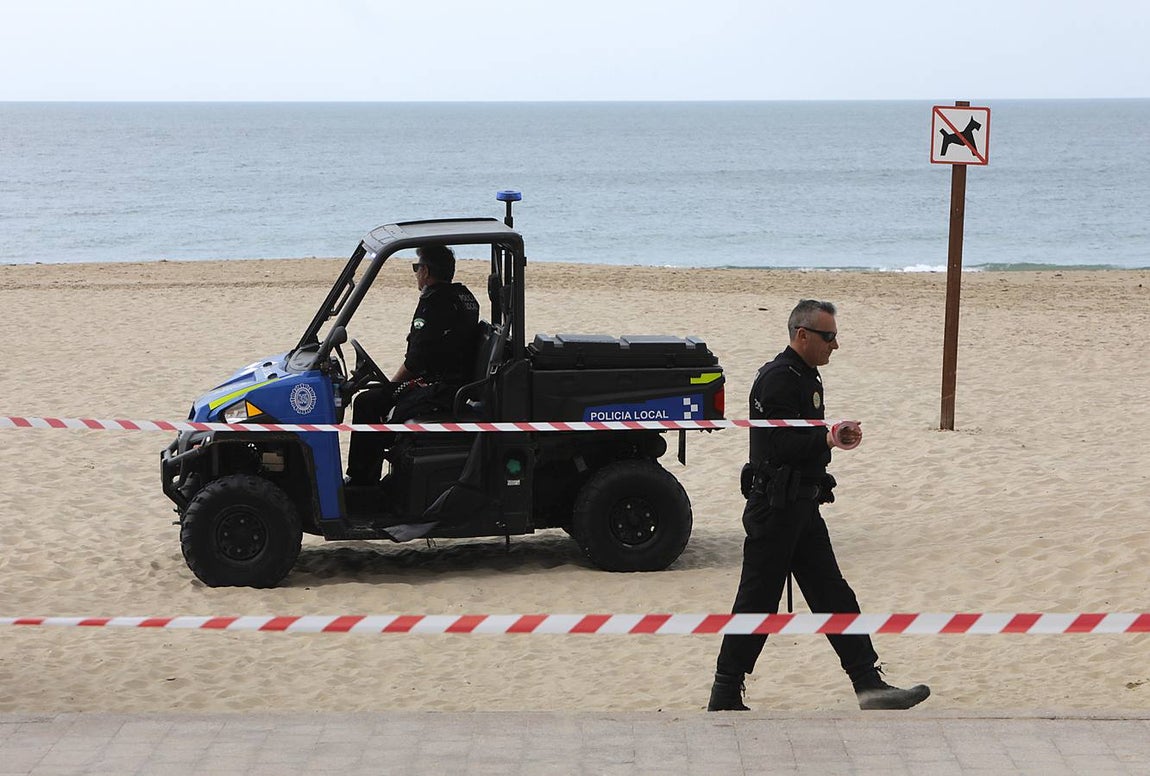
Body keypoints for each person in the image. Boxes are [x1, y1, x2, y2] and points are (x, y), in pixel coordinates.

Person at [707, 299, 930, 712]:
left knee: (834, 595)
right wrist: (828, 439)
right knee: (757, 602)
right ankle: (724, 693)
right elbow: (778, 443)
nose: (835, 345)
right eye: (828, 337)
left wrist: (826, 451)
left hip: (801, 507)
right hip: (775, 509)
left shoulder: (802, 374)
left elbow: (799, 444)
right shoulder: (778, 378)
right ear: (802, 335)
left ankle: (869, 684)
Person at [345, 244, 480, 486]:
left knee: (367, 402)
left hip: (443, 389)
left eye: (417, 268)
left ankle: (362, 483)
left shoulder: (434, 302)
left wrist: (392, 386)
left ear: (426, 271)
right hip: (454, 380)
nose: (417, 274)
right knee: (378, 397)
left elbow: (416, 360)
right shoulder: (464, 297)